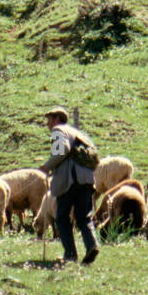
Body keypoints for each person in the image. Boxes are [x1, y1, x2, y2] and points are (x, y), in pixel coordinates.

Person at [40, 106, 99, 266]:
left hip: (70, 180)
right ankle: (91, 245)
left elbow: (61, 151)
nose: (48, 124)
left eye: (50, 119)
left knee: (61, 217)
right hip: (87, 180)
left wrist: (46, 166)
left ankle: (70, 254)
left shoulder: (59, 131)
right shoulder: (79, 134)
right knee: (83, 217)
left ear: (58, 119)